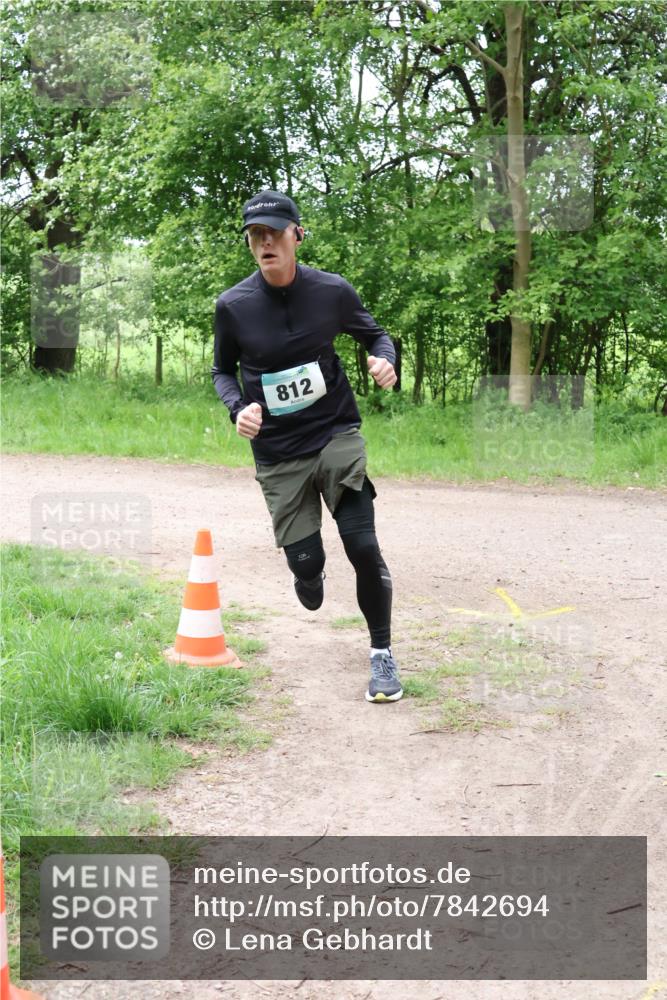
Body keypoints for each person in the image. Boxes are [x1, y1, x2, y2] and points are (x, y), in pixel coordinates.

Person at [211, 189, 402, 703]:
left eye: (274, 232)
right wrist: (238, 408)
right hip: (277, 452)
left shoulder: (331, 291)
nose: (265, 242)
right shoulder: (233, 306)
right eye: (255, 234)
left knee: (363, 544)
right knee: (305, 564)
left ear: (297, 234)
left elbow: (377, 337)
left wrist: (386, 362)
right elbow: (221, 371)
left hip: (336, 432)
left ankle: (382, 655)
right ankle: (307, 570)